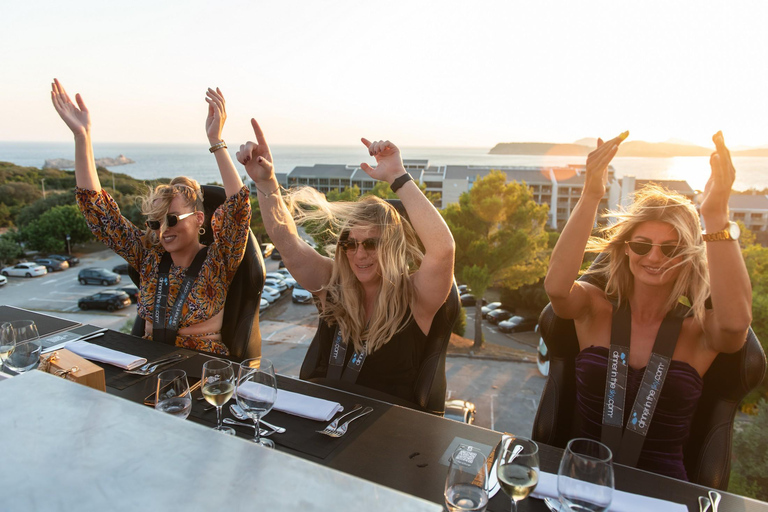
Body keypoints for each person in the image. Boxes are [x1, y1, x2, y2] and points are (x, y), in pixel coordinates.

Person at [543, 131, 752, 480]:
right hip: (582, 478)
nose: (654, 257)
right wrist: (591, 194)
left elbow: (735, 325)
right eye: (642, 245)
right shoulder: (594, 308)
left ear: (686, 257)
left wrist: (715, 216)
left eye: (670, 249)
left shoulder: (699, 330)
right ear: (626, 249)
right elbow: (557, 288)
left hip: (663, 493)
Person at [236, 119, 455, 404]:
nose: (359, 253)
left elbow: (443, 249)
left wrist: (398, 176)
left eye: (371, 243)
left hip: (386, 430)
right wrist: (266, 183)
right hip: (319, 417)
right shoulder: (333, 287)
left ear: (391, 246)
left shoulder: (416, 297)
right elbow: (287, 243)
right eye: (349, 243)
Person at [50, 79, 251, 355]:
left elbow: (238, 209)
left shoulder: (219, 259)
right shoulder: (148, 257)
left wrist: (216, 142)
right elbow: (99, 212)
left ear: (199, 219)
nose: (162, 231)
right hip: (146, 365)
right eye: (155, 223)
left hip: (200, 370)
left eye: (172, 219)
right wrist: (82, 136)